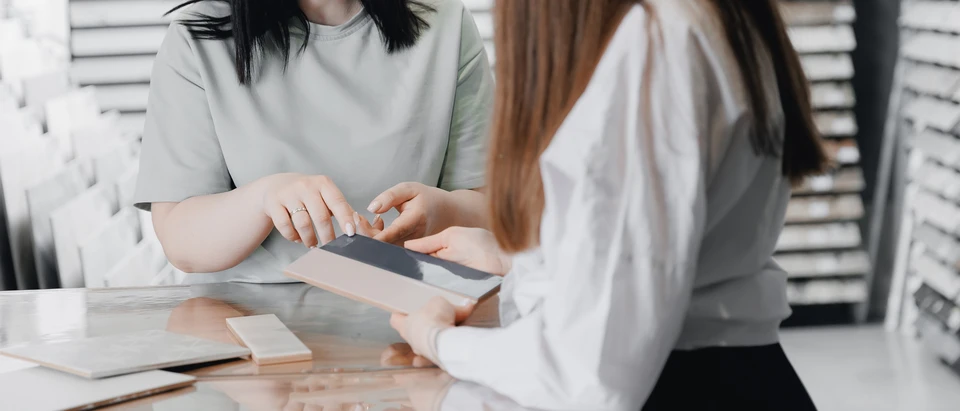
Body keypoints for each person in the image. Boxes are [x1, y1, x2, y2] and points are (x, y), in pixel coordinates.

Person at [389, 0, 827, 409]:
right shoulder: (714, 17)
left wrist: (438, 339)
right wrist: (518, 260)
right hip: (738, 375)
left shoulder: (654, 44)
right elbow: (673, 247)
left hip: (684, 384)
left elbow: (590, 372)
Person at [134, 0, 494, 283]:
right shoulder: (197, 38)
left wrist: (442, 211)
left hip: (410, 316)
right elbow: (180, 240)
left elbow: (493, 212)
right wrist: (263, 199)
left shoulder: (445, 22)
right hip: (244, 330)